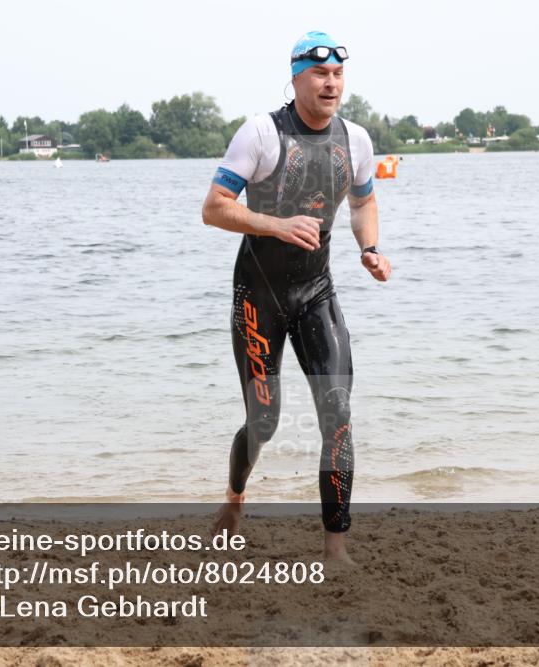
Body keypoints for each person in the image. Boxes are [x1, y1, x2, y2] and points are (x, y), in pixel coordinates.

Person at [201, 31, 392, 563]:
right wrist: (275, 225)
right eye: (319, 75)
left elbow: (363, 202)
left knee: (338, 411)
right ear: (296, 78)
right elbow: (214, 208)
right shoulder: (261, 134)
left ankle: (336, 547)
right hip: (258, 295)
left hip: (316, 292)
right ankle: (235, 498)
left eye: (337, 76)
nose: (331, 84)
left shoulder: (355, 139)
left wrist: (370, 247)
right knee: (263, 421)